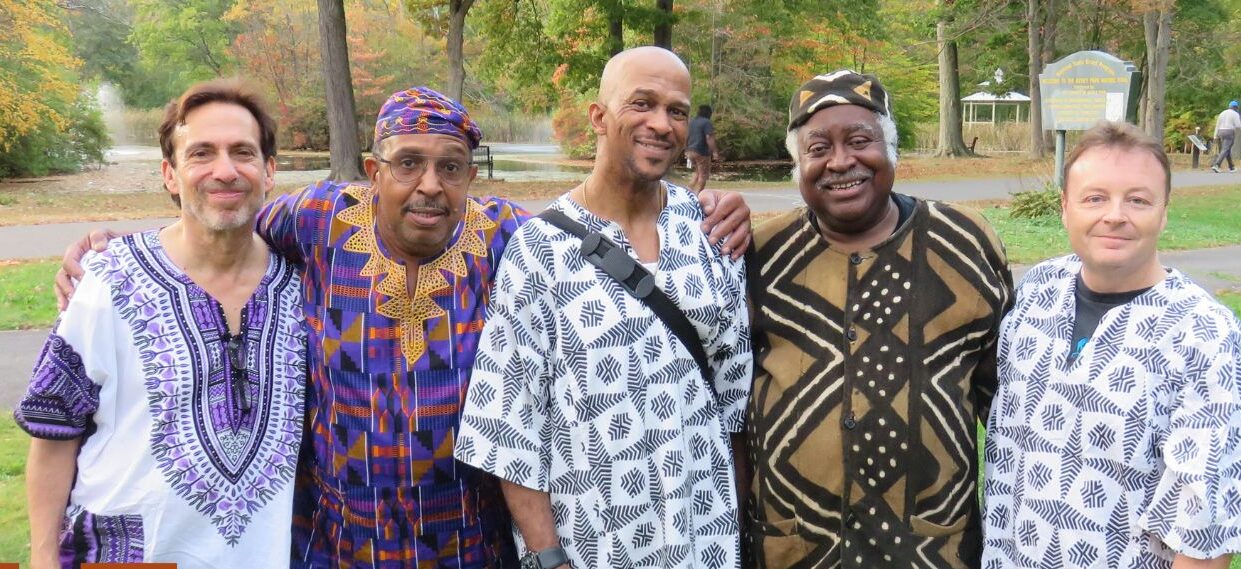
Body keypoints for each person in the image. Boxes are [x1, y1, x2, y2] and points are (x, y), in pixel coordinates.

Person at [55, 86, 755, 567]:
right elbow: (219, 220)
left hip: (471, 545)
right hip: (336, 545)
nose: (429, 185)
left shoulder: (509, 236)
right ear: (372, 171)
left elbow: (603, 229)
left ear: (471, 176)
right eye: (408, 164)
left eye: (451, 167)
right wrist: (119, 251)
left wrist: (702, 209)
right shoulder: (319, 220)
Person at [454, 46, 752, 569]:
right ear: (598, 116)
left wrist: (739, 529)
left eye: (677, 111)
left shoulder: (709, 231)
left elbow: (735, 402)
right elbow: (509, 425)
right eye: (642, 103)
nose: (661, 123)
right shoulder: (539, 251)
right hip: (595, 544)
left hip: (703, 538)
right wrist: (550, 558)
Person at [18, 79, 306, 568]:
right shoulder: (108, 280)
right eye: (201, 154)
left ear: (269, 171)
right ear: (170, 175)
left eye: (243, 152)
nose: (225, 170)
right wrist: (43, 558)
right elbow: (53, 432)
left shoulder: (305, 286)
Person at [741, 70, 1012, 568]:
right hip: (793, 548)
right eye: (818, 148)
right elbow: (729, 404)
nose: (840, 161)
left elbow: (1009, 410)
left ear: (891, 151)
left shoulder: (964, 244)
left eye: (860, 141)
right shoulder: (760, 255)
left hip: (931, 550)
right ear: (798, 165)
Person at [983, 121, 1241, 569]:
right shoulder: (1038, 292)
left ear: (1164, 212)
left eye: (1138, 200)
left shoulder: (1203, 334)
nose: (1115, 215)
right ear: (1065, 208)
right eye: (1095, 198)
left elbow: (1202, 533)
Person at [686, 104, 720, 193]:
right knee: (703, 175)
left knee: (696, 172)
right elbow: (709, 137)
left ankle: (687, 191)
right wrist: (714, 152)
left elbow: (687, 136)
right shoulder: (706, 122)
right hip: (701, 151)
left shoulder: (692, 122)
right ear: (708, 113)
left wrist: (686, 149)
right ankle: (698, 195)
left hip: (690, 150)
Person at [1210, 100, 1239, 173]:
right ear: (1236, 107)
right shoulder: (1235, 114)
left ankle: (1231, 167)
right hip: (1229, 132)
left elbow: (1217, 125)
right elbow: (1238, 125)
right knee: (1225, 149)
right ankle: (1216, 165)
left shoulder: (1222, 113)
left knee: (1226, 149)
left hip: (1220, 132)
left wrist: (1215, 136)